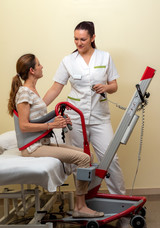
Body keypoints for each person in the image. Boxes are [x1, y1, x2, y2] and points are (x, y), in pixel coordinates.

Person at [8, 53, 104, 218]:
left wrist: (57, 116)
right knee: (83, 159)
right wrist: (51, 125)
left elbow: (36, 118)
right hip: (32, 148)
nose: (41, 67)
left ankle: (83, 202)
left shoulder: (32, 91)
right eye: (39, 65)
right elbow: (24, 126)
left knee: (86, 154)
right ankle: (80, 207)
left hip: (41, 144)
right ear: (32, 70)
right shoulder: (24, 93)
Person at [43, 21, 126, 195]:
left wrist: (106, 88)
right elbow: (55, 88)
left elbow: (114, 85)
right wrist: (39, 108)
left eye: (83, 39)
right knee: (80, 161)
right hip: (75, 119)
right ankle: (84, 203)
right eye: (75, 39)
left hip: (100, 118)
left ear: (93, 38)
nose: (79, 43)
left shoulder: (105, 57)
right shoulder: (68, 61)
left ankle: (121, 205)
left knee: (111, 159)